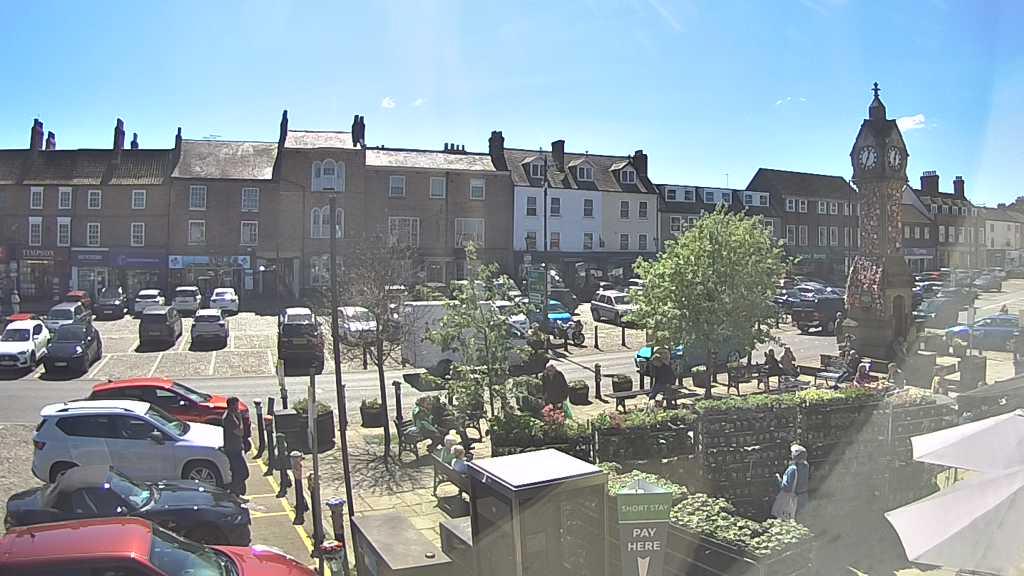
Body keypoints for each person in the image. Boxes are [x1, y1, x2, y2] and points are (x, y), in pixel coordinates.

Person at [774, 444, 810, 520]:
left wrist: (778, 478)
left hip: (793, 498)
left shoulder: (792, 469)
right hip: (803, 497)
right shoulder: (806, 466)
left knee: (787, 518)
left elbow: (787, 487)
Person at [222, 397, 249, 497]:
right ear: (232, 406)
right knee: (243, 472)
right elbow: (240, 432)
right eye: (237, 405)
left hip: (235, 448)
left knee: (236, 472)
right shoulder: (230, 418)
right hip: (233, 450)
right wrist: (240, 418)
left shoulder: (231, 415)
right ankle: (234, 492)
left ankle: (237, 492)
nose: (238, 408)